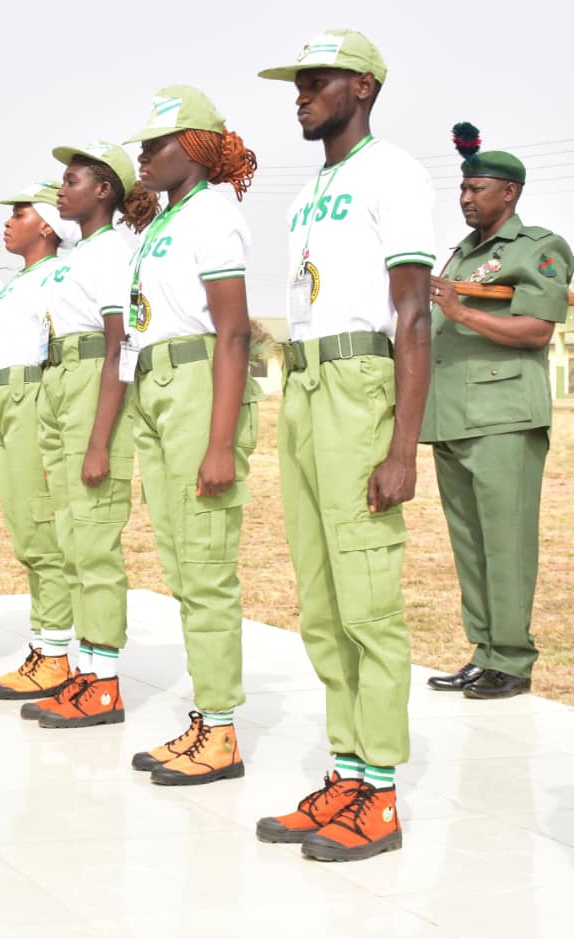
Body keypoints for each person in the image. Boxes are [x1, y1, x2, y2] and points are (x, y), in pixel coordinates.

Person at [255, 30, 434, 861]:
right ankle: (347, 771)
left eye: (316, 81)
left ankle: (384, 796)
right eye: (298, 83)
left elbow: (413, 314)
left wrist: (403, 445)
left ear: (361, 88)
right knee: (322, 603)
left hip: (362, 382)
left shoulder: (394, 173)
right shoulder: (307, 192)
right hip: (304, 386)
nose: (300, 94)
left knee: (367, 599)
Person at [121, 86, 262, 785]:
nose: (143, 155)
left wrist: (219, 441)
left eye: (157, 144)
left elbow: (233, 330)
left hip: (199, 385)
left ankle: (223, 730)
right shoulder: (163, 222)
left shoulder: (215, 214)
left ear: (197, 147)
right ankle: (207, 720)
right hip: (158, 388)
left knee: (206, 566)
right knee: (182, 564)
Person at [422, 127, 573, 700]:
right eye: (462, 188)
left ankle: (512, 659)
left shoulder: (539, 247)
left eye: (477, 189)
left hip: (504, 415)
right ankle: (483, 652)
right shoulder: (462, 253)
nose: (465, 198)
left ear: (508, 193)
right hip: (454, 416)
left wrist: (460, 312)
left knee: (506, 541)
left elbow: (536, 329)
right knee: (470, 543)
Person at [19, 142, 159, 729]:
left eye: (71, 179)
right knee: (73, 540)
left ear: (103, 191)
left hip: (92, 387)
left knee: (95, 543)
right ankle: (85, 670)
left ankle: (104, 684)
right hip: (60, 383)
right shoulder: (79, 254)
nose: (60, 189)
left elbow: (118, 343)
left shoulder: (110, 253)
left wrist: (101, 439)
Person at [0, 181, 79, 701]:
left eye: (19, 213)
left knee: (42, 528)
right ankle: (46, 644)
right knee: (24, 526)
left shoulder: (59, 276)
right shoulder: (14, 281)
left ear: (46, 225)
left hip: (32, 396)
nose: (8, 222)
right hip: (1, 400)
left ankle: (56, 653)